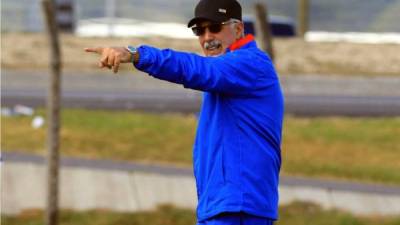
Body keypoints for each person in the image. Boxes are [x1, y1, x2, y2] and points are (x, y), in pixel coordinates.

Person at [85, 0, 284, 224]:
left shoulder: (249, 64)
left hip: (239, 207)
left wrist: (136, 54)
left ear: (238, 29)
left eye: (215, 27)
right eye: (199, 30)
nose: (207, 37)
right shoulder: (228, 74)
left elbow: (196, 69)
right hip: (223, 205)